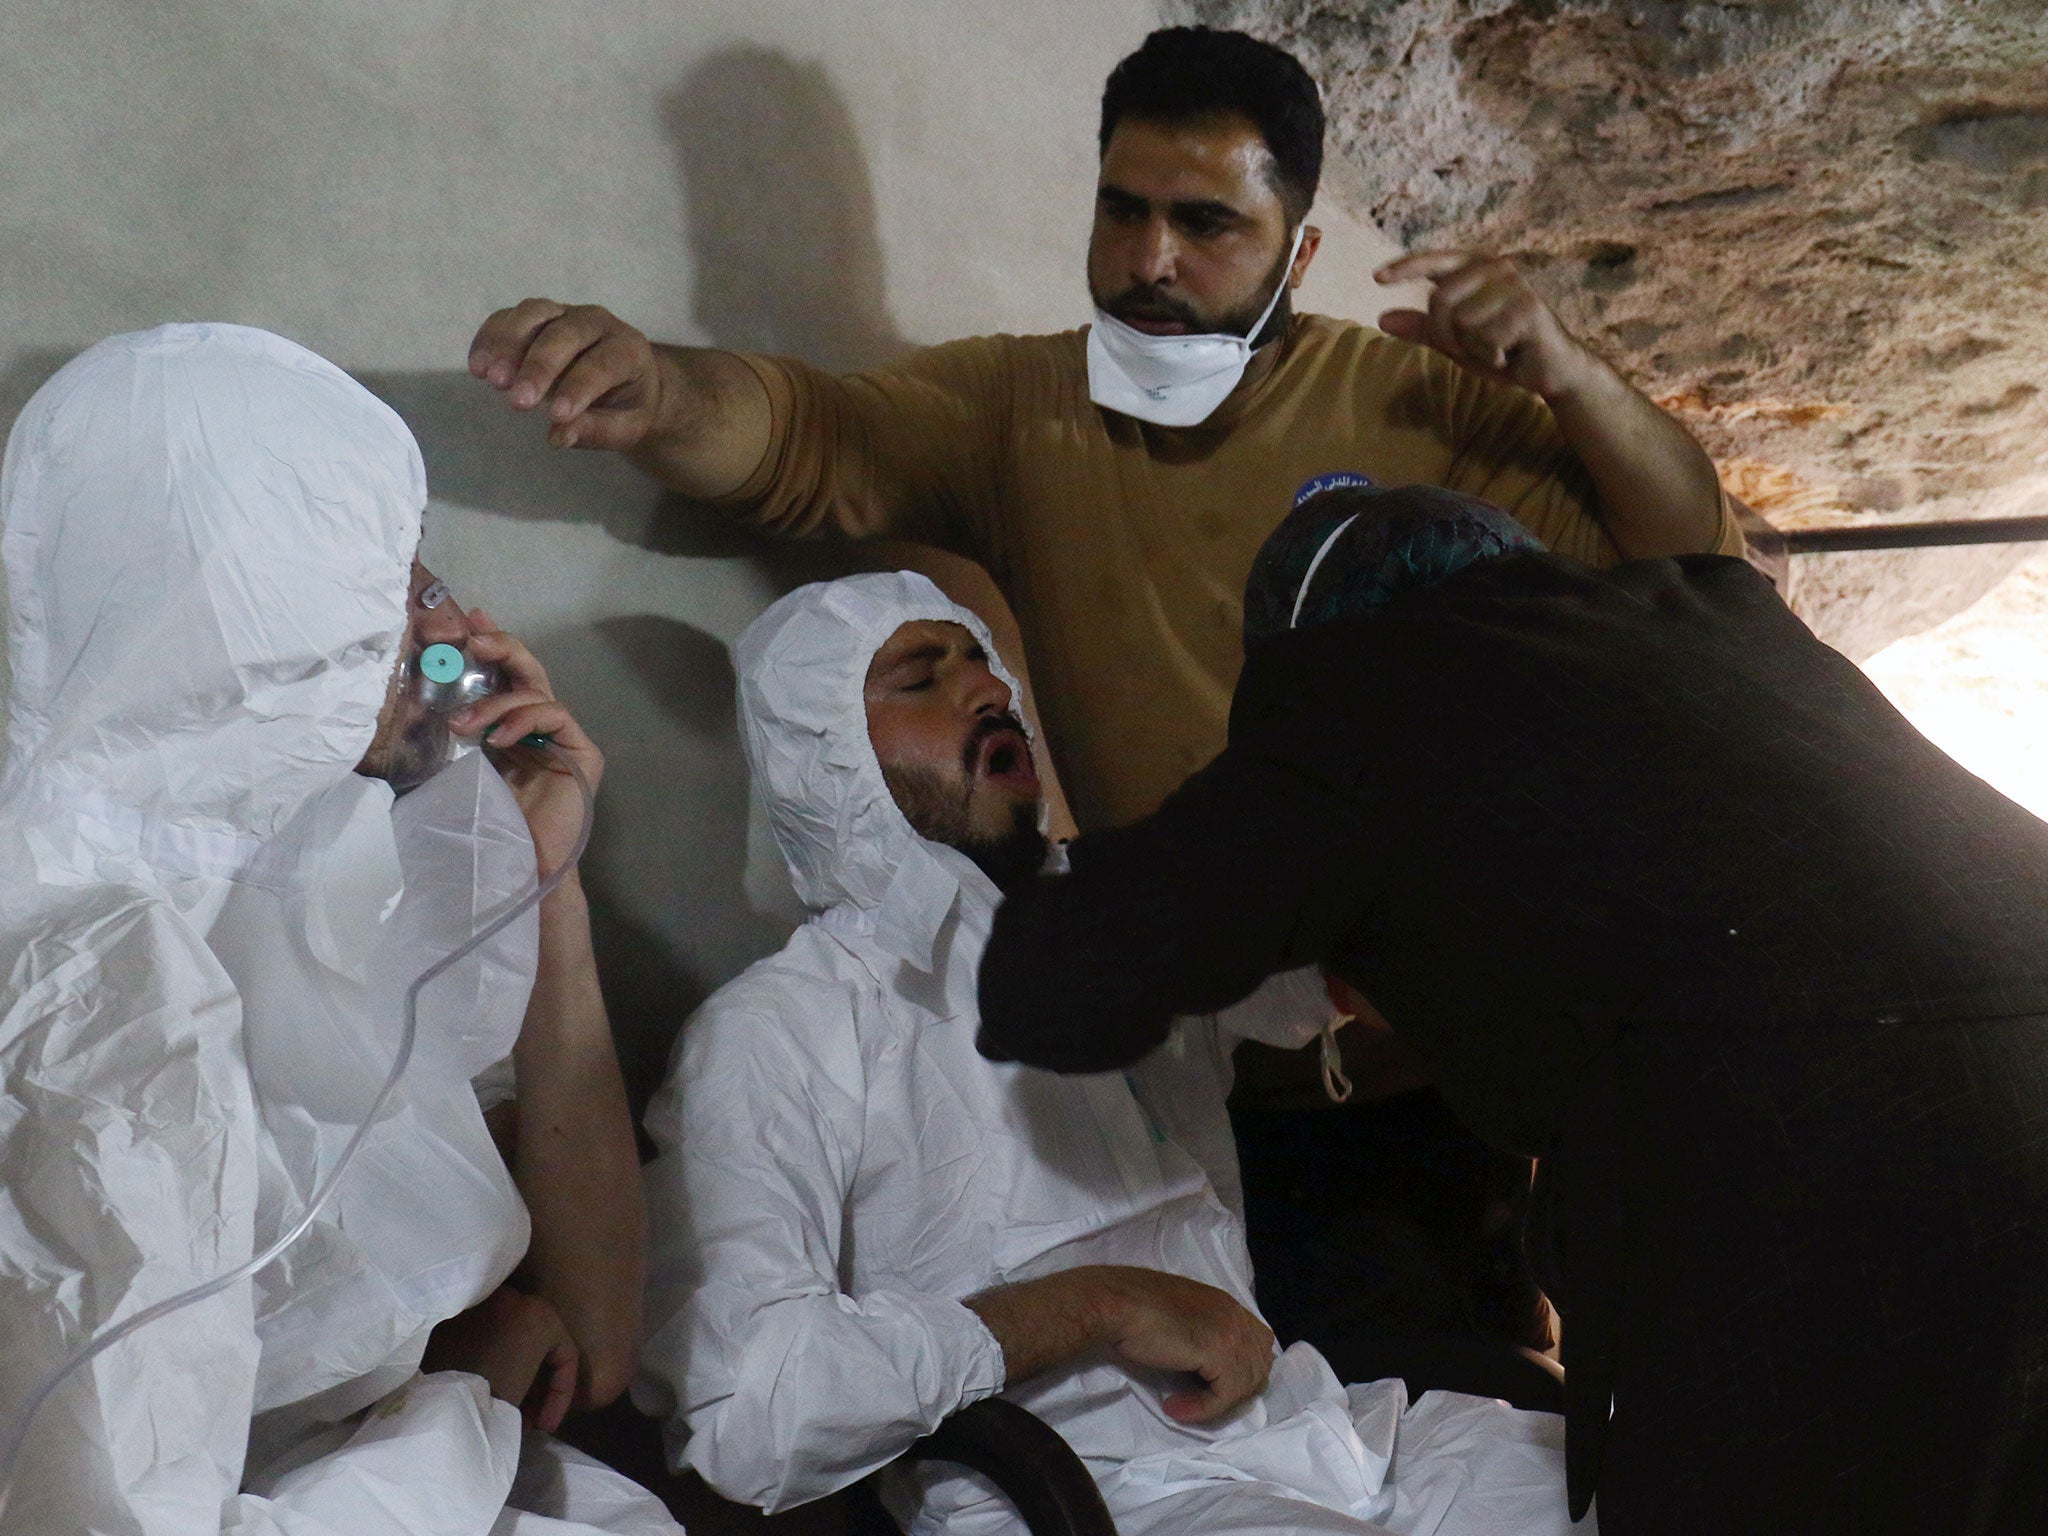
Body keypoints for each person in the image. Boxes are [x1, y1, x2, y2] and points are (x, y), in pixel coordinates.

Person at [975, 483, 2048, 1534]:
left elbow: (1064, 987)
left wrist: (1046, 878)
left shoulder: (1360, 688)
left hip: (1848, 1180)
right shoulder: (1711, 617)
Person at [467, 24, 1742, 835]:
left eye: (1205, 226)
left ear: (1297, 251)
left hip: (1409, 1033)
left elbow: (1688, 562)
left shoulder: (1411, 398)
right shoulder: (1015, 406)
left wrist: (1569, 374)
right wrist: (655, 389)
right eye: (1121, 209)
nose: (1148, 260)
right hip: (1174, 1028)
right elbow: (809, 439)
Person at [634, 569, 1585, 1536]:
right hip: (1083, 1505)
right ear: (822, 756)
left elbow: (1346, 957)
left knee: (1677, 1472)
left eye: (982, 662)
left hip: (1322, 1438)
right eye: (921, 679)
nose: (988, 692)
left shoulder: (1108, 924)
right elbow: (747, 1413)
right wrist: (1092, 1305)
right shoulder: (774, 1034)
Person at [0, 325, 668, 1535]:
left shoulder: (291, 899)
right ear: (260, 631)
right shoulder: (97, 996)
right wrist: (456, 1410)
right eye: (391, 591)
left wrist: (547, 882)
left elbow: (601, 1337)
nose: (450, 629)